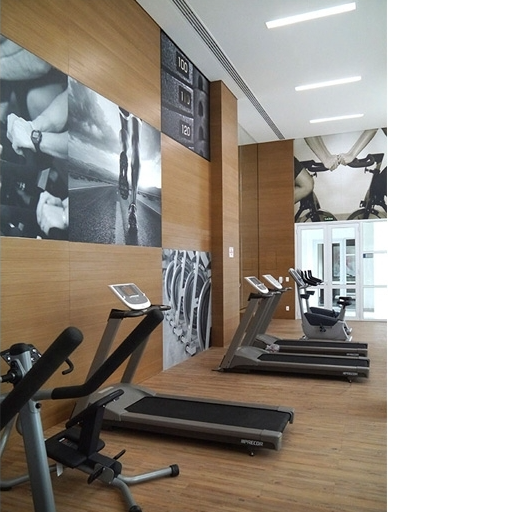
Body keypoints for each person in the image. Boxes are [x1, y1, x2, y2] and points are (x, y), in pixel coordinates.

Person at [118, 106, 141, 230]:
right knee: (136, 141)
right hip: (140, 102)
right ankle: (133, 205)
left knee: (124, 128)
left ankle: (124, 151)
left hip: (125, 100)